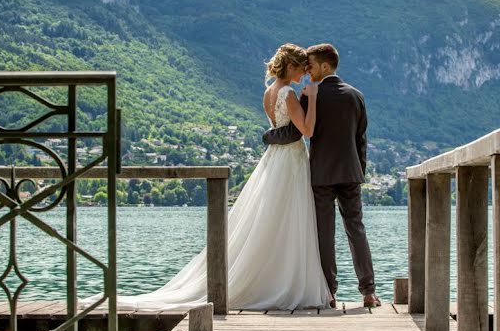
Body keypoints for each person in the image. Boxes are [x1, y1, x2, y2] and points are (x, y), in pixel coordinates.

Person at [95, 43, 333, 310]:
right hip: (291, 160)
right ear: (291, 66)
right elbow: (307, 130)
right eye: (302, 68)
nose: (304, 74)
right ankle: (285, 283)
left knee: (272, 219)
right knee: (290, 219)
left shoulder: (269, 92)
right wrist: (311, 97)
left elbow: (278, 127)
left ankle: (274, 279)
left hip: (276, 159)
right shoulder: (289, 93)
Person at [263, 43, 380, 308]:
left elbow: (295, 133)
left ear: (324, 66)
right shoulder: (356, 96)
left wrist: (267, 136)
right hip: (351, 173)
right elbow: (361, 139)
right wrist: (359, 170)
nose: (307, 70)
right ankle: (369, 292)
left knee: (324, 234)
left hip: (321, 175)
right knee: (356, 229)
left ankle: (329, 294)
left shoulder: (308, 94)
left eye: (311, 65)